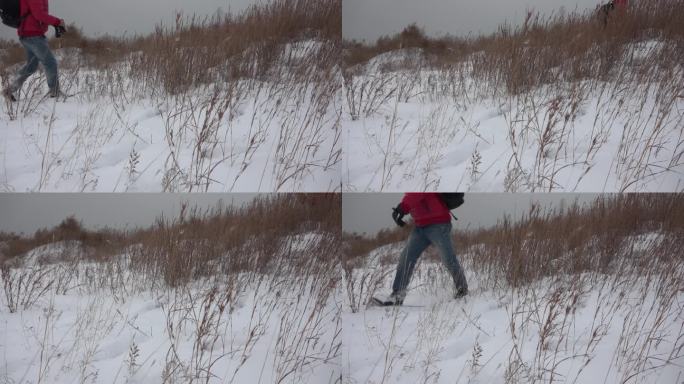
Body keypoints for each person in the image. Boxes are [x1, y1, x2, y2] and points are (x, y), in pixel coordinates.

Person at [377, 193, 468, 306]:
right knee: (406, 258)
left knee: (448, 259)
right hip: (420, 225)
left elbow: (418, 193)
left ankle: (462, 289)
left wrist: (402, 208)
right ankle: (397, 295)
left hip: (438, 224)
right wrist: (402, 209)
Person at [2, 0, 65, 102]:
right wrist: (57, 22)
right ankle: (55, 92)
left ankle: (9, 90)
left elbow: (37, 14)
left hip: (28, 34)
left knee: (31, 66)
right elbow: (39, 15)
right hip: (33, 35)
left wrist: (54, 24)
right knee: (50, 63)